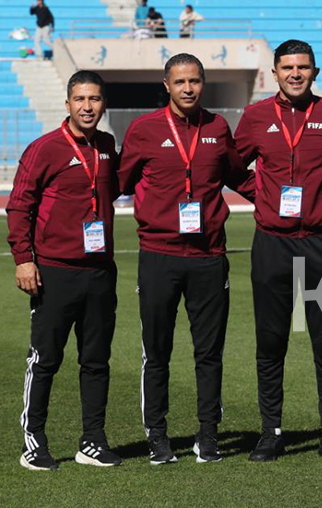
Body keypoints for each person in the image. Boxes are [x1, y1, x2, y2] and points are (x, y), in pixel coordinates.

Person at [118, 53, 254, 465]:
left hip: (210, 256)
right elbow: (118, 183)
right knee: (156, 351)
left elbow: (237, 176)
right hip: (159, 255)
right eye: (180, 82)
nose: (189, 88)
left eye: (195, 81)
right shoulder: (143, 130)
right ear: (166, 85)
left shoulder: (217, 127)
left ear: (203, 83)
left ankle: (207, 433)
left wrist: (288, 201)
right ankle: (157, 435)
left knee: (209, 352)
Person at [233, 40, 322, 462]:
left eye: (303, 67)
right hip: (273, 242)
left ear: (315, 72)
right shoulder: (255, 116)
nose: (296, 74)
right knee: (271, 341)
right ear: (275, 72)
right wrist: (262, 195)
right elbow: (232, 167)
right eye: (288, 67)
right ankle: (271, 432)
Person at [6, 71, 121, 470]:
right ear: (67, 103)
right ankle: (34, 441)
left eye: (95, 99)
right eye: (80, 99)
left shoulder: (107, 146)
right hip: (54, 271)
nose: (87, 106)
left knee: (96, 359)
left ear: (103, 104)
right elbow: (19, 205)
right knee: (46, 358)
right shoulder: (45, 148)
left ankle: (92, 440)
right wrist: (24, 258)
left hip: (101, 272)